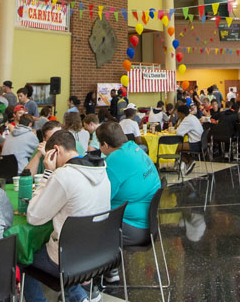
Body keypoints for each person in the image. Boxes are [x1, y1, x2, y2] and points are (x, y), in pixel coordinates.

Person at [22, 130, 111, 302]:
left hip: (68, 256)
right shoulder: (101, 169)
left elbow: (33, 216)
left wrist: (48, 172)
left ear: (56, 150)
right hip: (98, 250)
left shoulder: (63, 175)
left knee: (23, 255)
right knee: (65, 244)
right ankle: (78, 297)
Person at [96, 121, 162, 285]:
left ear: (104, 144)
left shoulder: (115, 159)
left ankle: (87, 283)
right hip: (150, 224)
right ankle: (111, 270)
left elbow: (102, 195)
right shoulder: (135, 149)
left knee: (86, 225)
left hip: (134, 229)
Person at [175, 104, 203, 176]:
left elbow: (179, 132)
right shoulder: (192, 117)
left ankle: (188, 161)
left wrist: (180, 121)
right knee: (180, 146)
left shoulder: (187, 120)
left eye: (178, 113)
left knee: (178, 147)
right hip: (201, 142)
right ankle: (187, 162)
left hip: (196, 144)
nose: (177, 115)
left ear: (181, 113)